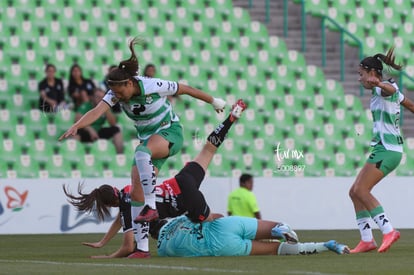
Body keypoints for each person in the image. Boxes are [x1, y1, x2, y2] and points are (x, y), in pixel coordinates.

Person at [59, 36, 226, 258]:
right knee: (135, 189)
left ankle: (151, 206)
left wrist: (213, 101)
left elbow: (185, 89)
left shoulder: (151, 84)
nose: (117, 97)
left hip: (170, 133)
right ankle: (142, 249)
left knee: (141, 153)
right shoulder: (115, 92)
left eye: (120, 92)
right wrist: (77, 126)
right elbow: (97, 111)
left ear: (129, 83)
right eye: (114, 93)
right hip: (149, 140)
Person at [349, 47, 414, 253]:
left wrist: (378, 83)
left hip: (387, 149)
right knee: (354, 192)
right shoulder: (384, 89)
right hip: (386, 149)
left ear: (372, 73)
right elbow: (410, 105)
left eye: (361, 75)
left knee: (361, 190)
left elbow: (390, 89)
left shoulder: (383, 88)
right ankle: (367, 239)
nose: (360, 80)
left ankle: (388, 230)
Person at [150, 215, 349, 257]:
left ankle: (328, 245)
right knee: (273, 226)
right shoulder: (179, 218)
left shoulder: (161, 248)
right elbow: (210, 215)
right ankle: (282, 229)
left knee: (276, 250)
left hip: (217, 245)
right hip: (222, 226)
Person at [62, 184, 138, 258]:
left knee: (135, 250)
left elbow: (128, 248)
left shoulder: (126, 205)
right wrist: (102, 243)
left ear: (109, 205)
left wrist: (109, 257)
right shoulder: (126, 192)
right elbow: (119, 221)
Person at [74, 87, 124, 154]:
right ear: (92, 97)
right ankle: (75, 153)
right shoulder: (86, 105)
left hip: (98, 131)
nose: (100, 99)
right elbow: (77, 120)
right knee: (76, 131)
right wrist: (90, 130)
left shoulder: (105, 107)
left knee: (116, 129)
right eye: (97, 97)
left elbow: (113, 123)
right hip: (86, 131)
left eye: (102, 97)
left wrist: (106, 109)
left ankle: (120, 155)